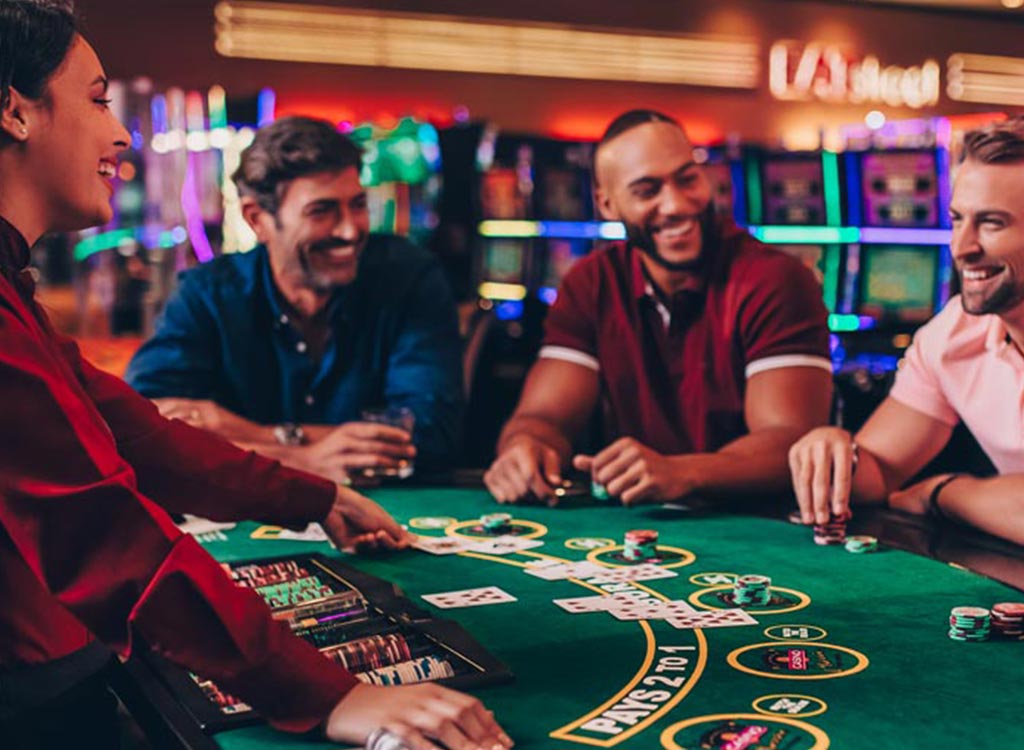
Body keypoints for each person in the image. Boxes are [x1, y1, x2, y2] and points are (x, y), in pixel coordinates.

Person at [0, 3, 510, 749]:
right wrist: (331, 695)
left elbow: (142, 436)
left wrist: (315, 496)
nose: (120, 133)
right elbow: (100, 535)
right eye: (98, 99)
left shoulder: (13, 291)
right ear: (13, 109)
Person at [485, 110, 833, 507]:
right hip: (642, 519)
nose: (676, 205)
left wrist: (680, 471)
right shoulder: (590, 282)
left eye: (687, 179)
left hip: (760, 523)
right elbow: (545, 416)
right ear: (608, 205)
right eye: (647, 191)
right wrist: (525, 446)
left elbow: (790, 441)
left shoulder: (775, 278)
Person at [789, 115, 1024, 549]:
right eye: (957, 219)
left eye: (992, 223)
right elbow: (879, 471)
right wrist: (836, 450)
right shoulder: (954, 331)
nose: (961, 247)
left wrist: (940, 493)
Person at [125, 116, 464, 483]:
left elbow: (428, 435)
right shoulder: (207, 295)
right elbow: (142, 429)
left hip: (390, 516)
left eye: (358, 204)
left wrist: (248, 436)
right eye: (321, 211)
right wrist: (301, 459)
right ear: (258, 220)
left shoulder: (409, 278)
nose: (350, 230)